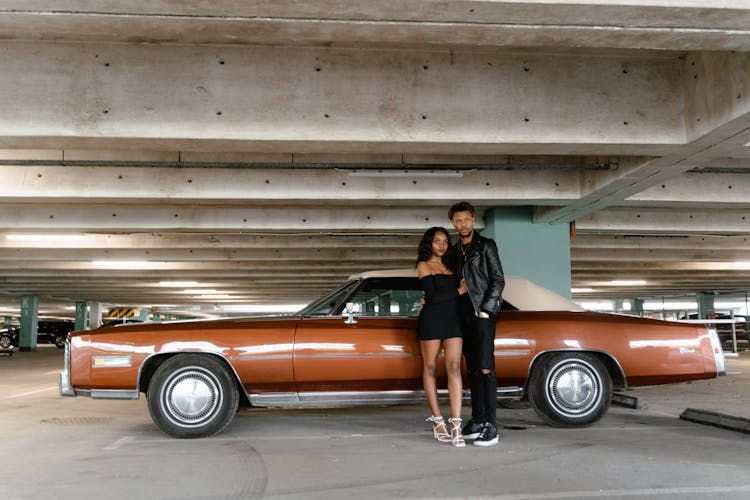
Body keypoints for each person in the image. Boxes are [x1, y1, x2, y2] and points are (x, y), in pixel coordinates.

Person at [447, 201, 505, 446]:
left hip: (482, 315)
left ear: (473, 220)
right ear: (454, 223)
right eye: (458, 221)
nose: (463, 224)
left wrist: (486, 311)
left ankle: (491, 425)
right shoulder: (452, 251)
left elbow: (498, 281)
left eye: (467, 220)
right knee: (471, 370)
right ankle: (478, 419)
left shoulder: (485, 246)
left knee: (485, 368)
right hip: (462, 317)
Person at [416, 226, 468, 447]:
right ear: (429, 243)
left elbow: (440, 296)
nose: (442, 245)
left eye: (445, 241)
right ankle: (438, 421)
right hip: (431, 319)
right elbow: (434, 297)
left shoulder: (453, 265)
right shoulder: (423, 265)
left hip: (453, 320)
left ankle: (456, 425)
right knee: (430, 368)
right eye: (437, 241)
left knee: (454, 367)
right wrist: (459, 290)